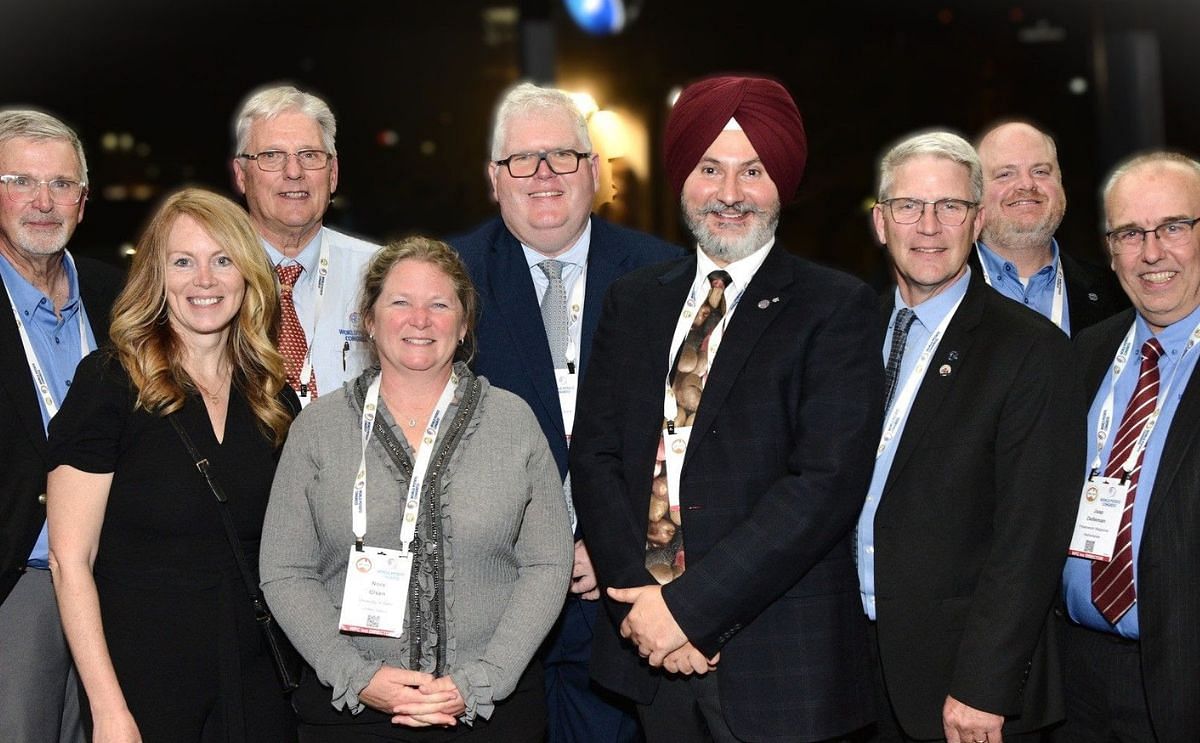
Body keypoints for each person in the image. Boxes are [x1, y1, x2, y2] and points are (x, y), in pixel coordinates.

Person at [569, 74, 883, 742]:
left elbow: (822, 487)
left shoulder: (835, 307)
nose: (731, 194)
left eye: (754, 171)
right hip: (647, 653)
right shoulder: (634, 300)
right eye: (710, 168)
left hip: (780, 668)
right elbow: (596, 457)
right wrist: (645, 608)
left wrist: (690, 612)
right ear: (683, 176)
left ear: (783, 184)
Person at [260, 235, 573, 741]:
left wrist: (485, 677)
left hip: (491, 712)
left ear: (465, 321)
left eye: (439, 305)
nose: (419, 320)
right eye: (400, 302)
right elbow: (283, 570)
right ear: (369, 318)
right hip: (352, 715)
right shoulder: (317, 428)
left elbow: (548, 564)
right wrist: (358, 677)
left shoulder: (513, 421)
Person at [450, 80, 681, 743]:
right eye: (523, 159)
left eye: (564, 156)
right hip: (490, 606)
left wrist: (615, 544)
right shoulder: (446, 279)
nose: (544, 173)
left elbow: (688, 434)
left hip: (625, 606)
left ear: (597, 171)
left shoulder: (667, 274)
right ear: (495, 179)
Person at [46, 187, 299, 742]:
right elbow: (70, 560)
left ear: (248, 274)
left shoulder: (273, 398)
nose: (204, 280)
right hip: (144, 681)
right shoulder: (109, 383)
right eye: (183, 262)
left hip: (259, 675)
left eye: (222, 259)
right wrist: (109, 709)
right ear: (156, 277)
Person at [857, 130, 1082, 743]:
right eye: (909, 207)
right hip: (852, 669)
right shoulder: (849, 330)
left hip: (962, 687)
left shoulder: (1030, 350)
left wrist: (986, 684)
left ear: (977, 220)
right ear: (881, 223)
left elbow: (1030, 535)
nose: (928, 226)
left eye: (949, 207)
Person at [1057, 151, 1200, 743]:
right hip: (1073, 682)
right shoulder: (1081, 356)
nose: (1151, 253)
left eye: (1174, 227)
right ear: (1109, 249)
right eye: (1129, 233)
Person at [0, 108, 122, 743]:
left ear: (84, 197)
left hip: (122, 582)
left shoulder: (122, 297)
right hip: (19, 584)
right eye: (20, 181)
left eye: (61, 184)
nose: (43, 202)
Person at [232, 83, 380, 407]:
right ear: (241, 175)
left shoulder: (381, 275)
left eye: (309, 155)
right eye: (272, 156)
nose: (294, 172)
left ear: (333, 174)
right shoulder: (210, 281)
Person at [972, 119, 1127, 334]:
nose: (1027, 184)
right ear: (976, 193)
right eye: (1005, 174)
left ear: (1061, 183)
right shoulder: (941, 289)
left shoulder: (1118, 294)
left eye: (1040, 171)